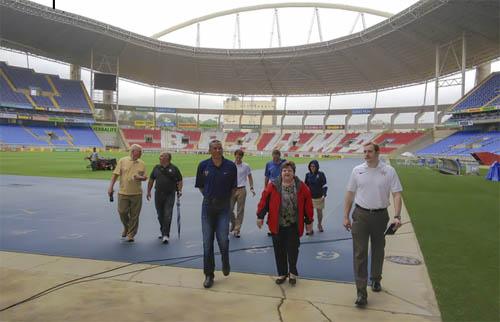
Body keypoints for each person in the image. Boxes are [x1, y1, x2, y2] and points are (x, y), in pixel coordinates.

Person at [343, 142, 403, 306]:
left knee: (378, 249)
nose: (366, 154)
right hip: (360, 215)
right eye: (364, 151)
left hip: (380, 216)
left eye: (369, 151)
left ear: (377, 153)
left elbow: (397, 194)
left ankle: (376, 279)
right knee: (360, 253)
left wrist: (397, 216)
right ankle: (361, 292)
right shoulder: (357, 170)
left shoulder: (389, 171)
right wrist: (345, 216)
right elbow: (350, 193)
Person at [256, 161, 313, 286]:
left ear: (294, 173)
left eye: (289, 170)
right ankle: (282, 273)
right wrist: (260, 216)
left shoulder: (301, 187)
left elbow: (308, 205)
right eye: (284, 170)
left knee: (293, 251)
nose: (287, 172)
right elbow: (264, 200)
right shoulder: (273, 185)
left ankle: (292, 273)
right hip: (277, 225)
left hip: (293, 225)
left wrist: (309, 221)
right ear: (281, 172)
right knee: (279, 251)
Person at [195, 140, 237, 288]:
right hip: (207, 206)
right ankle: (209, 274)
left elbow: (233, 188)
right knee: (207, 242)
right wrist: (209, 196)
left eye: (220, 148)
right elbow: (200, 186)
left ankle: (225, 260)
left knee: (223, 240)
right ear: (209, 150)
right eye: (215, 148)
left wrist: (223, 199)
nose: (218, 150)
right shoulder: (203, 165)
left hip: (224, 206)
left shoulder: (231, 166)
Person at [108, 144, 147, 242]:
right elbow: (115, 175)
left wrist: (140, 178)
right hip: (123, 192)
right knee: (122, 212)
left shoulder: (142, 163)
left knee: (135, 215)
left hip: (137, 193)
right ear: (133, 151)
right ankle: (127, 227)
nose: (141, 153)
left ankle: (131, 234)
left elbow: (145, 177)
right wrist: (110, 187)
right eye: (140, 151)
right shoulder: (122, 161)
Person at [147, 152, 183, 244]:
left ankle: (166, 234)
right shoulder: (156, 168)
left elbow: (179, 180)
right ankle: (163, 230)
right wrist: (148, 191)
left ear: (167, 158)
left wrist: (179, 191)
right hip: (158, 194)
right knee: (160, 215)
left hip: (170, 194)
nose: (160, 157)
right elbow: (151, 180)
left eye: (162, 156)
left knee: (168, 214)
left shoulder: (174, 168)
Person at [229, 149, 255, 238]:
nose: (238, 157)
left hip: (242, 190)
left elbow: (250, 177)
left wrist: (251, 187)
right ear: (235, 155)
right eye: (237, 155)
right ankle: (233, 223)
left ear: (242, 157)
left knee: (240, 210)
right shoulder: (230, 165)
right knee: (229, 209)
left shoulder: (246, 166)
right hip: (231, 190)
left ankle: (237, 229)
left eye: (240, 155)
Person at [264, 149, 286, 236]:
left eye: (277, 155)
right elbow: (267, 176)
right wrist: (266, 188)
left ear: (279, 156)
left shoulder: (284, 163)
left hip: (282, 188)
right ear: (272, 155)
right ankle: (272, 228)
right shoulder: (269, 164)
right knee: (271, 208)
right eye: (274, 155)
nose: (275, 157)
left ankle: (281, 227)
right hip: (272, 188)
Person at [304, 160, 328, 234]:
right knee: (308, 214)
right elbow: (305, 186)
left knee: (319, 213)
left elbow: (324, 185)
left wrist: (324, 194)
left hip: (319, 197)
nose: (312, 168)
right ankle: (309, 229)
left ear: (317, 167)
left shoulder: (321, 174)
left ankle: (319, 224)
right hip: (310, 198)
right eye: (311, 166)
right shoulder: (307, 175)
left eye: (314, 166)